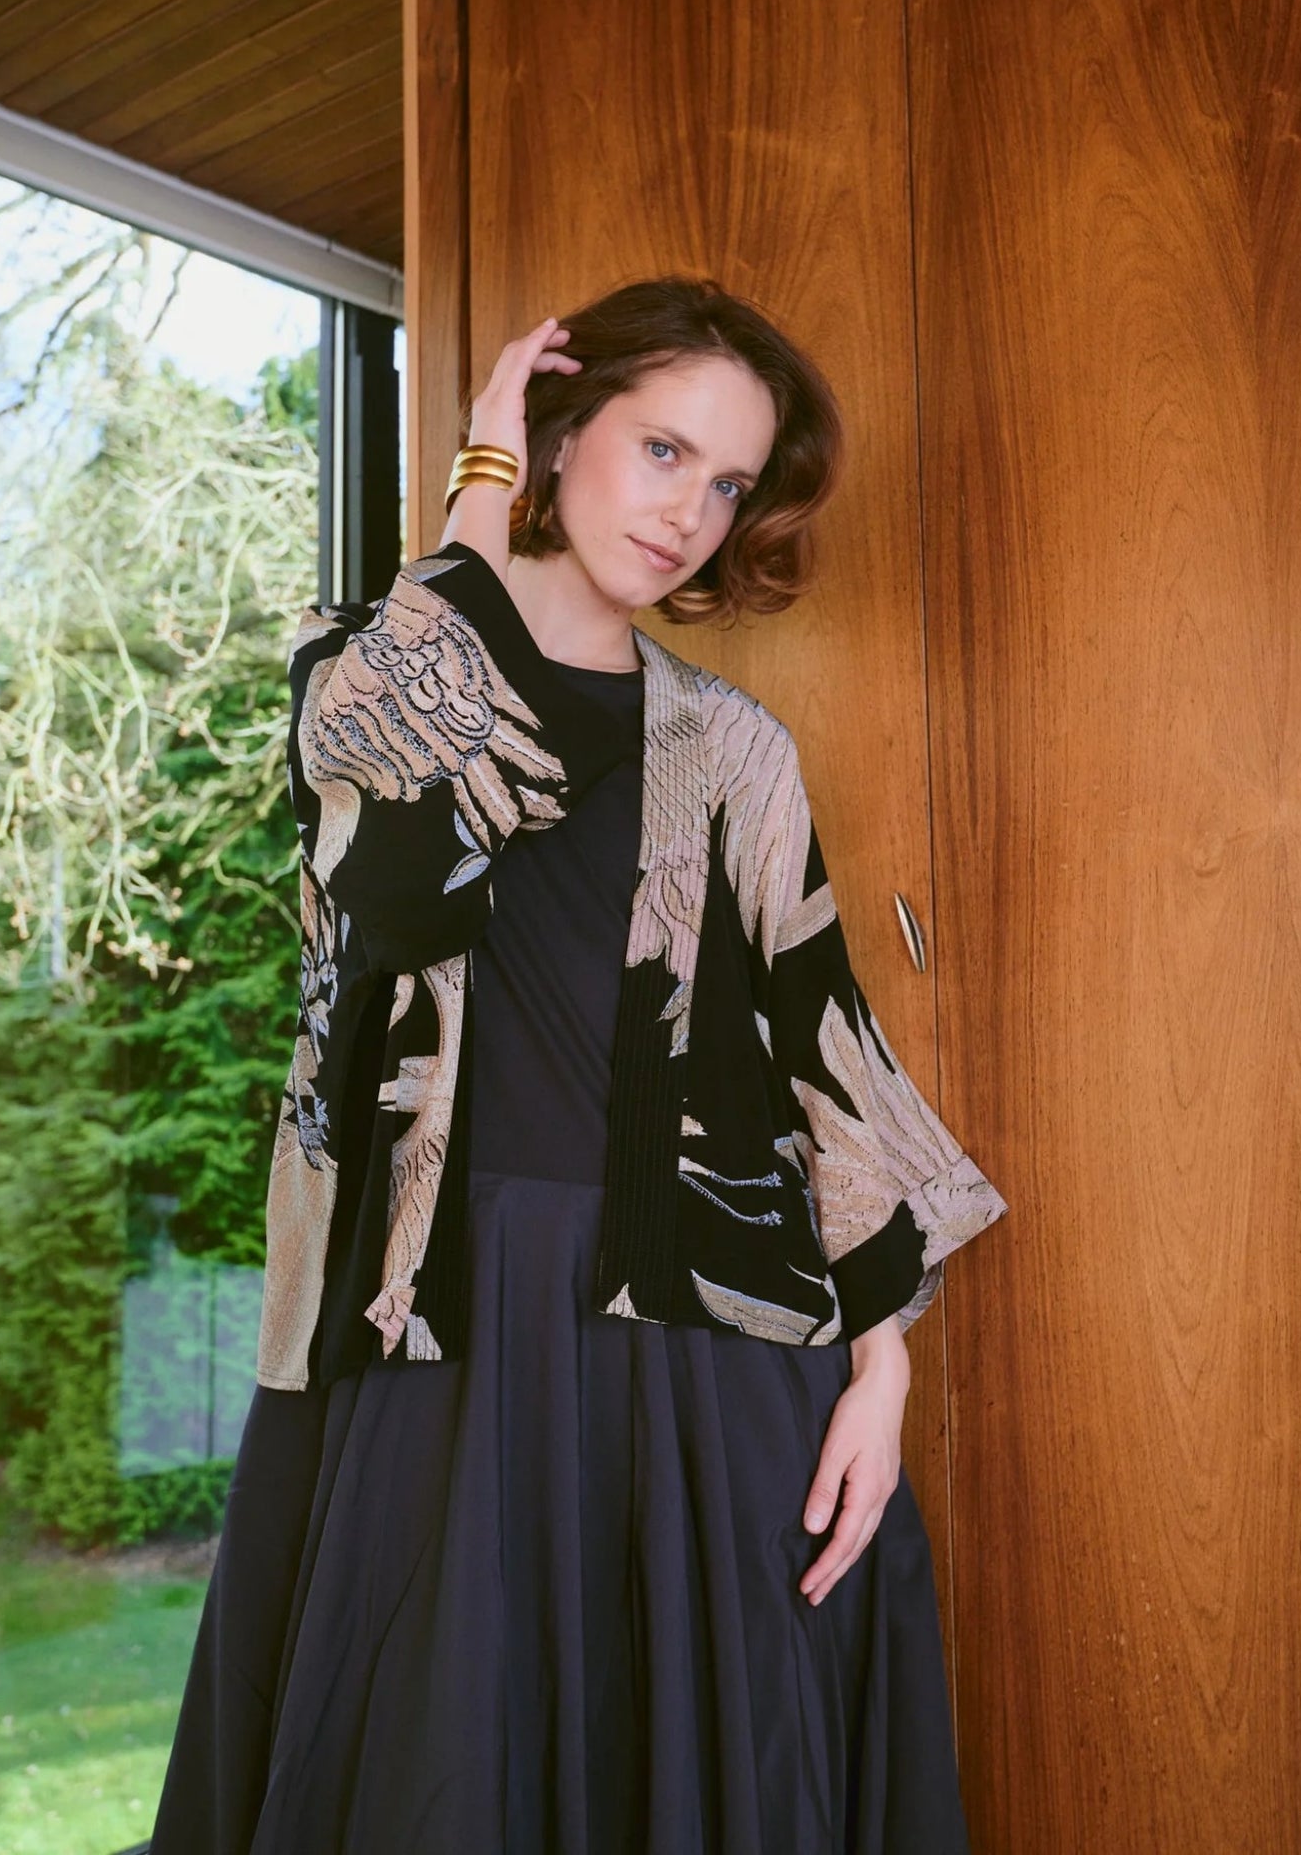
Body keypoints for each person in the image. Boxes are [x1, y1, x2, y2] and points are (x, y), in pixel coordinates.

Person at [147, 276, 1004, 1853]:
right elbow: (396, 859)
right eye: (664, 451)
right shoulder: (367, 663)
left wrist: (884, 1367)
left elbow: (819, 1047)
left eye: (729, 480)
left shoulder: (733, 747)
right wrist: (478, 480)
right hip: (438, 1319)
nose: (693, 513)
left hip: (696, 1343)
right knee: (434, 1774)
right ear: (557, 434)